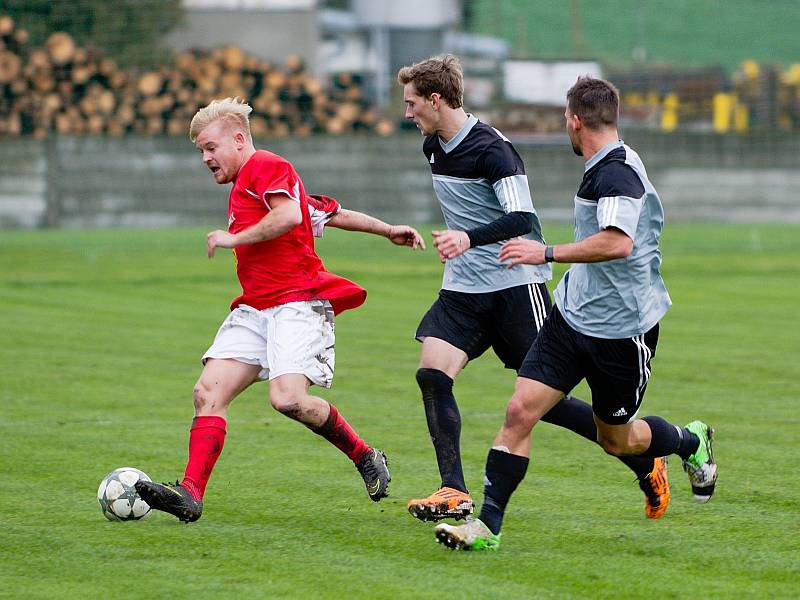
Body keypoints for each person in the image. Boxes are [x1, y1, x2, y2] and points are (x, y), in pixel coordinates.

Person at [434, 76, 717, 551]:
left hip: (622, 332)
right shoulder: (602, 164)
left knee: (617, 440)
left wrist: (544, 253)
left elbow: (618, 242)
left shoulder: (617, 173)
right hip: (569, 319)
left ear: (574, 120)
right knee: (519, 411)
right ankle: (486, 529)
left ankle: (689, 442)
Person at [398, 55, 671, 524]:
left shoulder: (493, 152)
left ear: (436, 99)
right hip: (465, 288)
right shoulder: (432, 145)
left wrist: (468, 237)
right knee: (432, 374)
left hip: (513, 286)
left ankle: (645, 459)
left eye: (411, 102)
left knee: (546, 405)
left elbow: (523, 219)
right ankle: (454, 490)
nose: (406, 113)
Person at [135, 97, 425, 523]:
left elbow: (290, 215)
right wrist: (386, 229)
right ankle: (190, 493)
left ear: (238, 139)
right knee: (207, 393)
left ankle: (365, 455)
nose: (205, 158)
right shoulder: (247, 184)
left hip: (298, 304)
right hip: (257, 308)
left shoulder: (266, 165)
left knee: (287, 400)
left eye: (211, 147)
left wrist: (235, 239)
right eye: (200, 150)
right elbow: (328, 211)